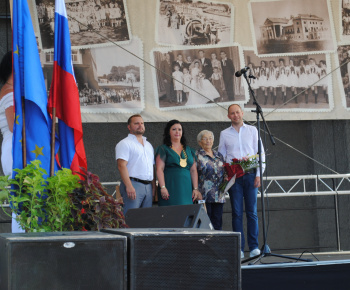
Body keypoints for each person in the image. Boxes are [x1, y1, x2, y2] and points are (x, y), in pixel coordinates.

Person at [218, 104, 265, 259]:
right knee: (236, 212)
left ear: (242, 113)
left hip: (251, 175)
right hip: (234, 178)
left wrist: (259, 174)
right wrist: (224, 174)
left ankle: (254, 247)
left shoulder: (252, 130)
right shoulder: (224, 134)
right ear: (228, 116)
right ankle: (239, 247)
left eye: (237, 112)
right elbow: (221, 156)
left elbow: (260, 153)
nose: (235, 115)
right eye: (232, 113)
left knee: (252, 212)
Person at [0, 51, 24, 233]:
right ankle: (20, 240)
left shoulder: (10, 90)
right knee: (22, 197)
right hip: (15, 147)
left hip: (16, 146)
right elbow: (13, 125)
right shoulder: (9, 92)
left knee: (25, 197)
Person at [155, 120, 202, 206]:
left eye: (179, 129)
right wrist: (162, 187)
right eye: (174, 129)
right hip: (170, 187)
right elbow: (159, 169)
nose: (177, 132)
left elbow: (193, 170)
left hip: (186, 189)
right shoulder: (163, 149)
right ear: (168, 132)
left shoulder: (189, 150)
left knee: (186, 213)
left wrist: (195, 188)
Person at [115, 114, 155, 214]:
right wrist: (129, 186)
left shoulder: (148, 145)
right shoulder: (124, 143)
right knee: (130, 218)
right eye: (136, 123)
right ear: (129, 127)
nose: (140, 125)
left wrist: (153, 187)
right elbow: (121, 166)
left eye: (142, 123)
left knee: (146, 219)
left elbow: (151, 167)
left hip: (148, 186)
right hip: (133, 184)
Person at [196, 130, 225, 230]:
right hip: (204, 195)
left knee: (217, 223)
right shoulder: (197, 156)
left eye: (210, 138)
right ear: (200, 142)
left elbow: (223, 171)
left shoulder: (219, 156)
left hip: (219, 196)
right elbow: (193, 174)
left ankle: (217, 244)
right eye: (205, 138)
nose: (208, 141)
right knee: (205, 224)